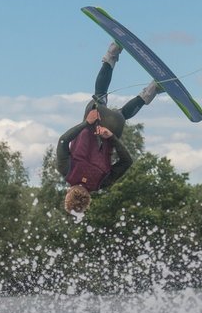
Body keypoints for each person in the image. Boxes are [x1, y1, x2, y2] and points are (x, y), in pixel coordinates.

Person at [56, 42, 163, 214]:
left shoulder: (101, 183)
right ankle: (113, 52)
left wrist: (112, 137)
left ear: (88, 200)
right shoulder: (66, 170)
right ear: (68, 193)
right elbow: (63, 140)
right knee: (100, 96)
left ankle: (154, 88)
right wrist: (86, 123)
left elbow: (127, 162)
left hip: (114, 126)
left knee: (122, 115)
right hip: (95, 119)